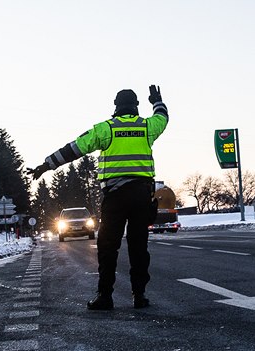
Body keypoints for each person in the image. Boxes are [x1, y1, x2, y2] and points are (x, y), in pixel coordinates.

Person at [29, 85, 168, 310]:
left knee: (107, 246)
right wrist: (157, 101)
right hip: (142, 196)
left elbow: (74, 148)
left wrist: (47, 164)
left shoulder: (106, 129)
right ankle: (139, 295)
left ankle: (105, 296)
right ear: (136, 106)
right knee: (138, 247)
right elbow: (162, 117)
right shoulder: (147, 127)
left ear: (116, 107)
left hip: (115, 197)